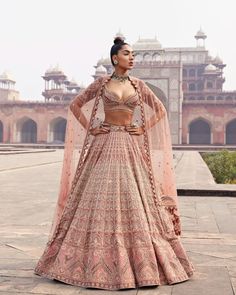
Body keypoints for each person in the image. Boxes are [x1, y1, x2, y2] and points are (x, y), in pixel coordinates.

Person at [34, 36, 195, 290]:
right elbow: (75, 106)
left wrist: (142, 127)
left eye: (134, 55)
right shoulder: (101, 84)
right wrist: (92, 127)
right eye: (128, 54)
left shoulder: (139, 85)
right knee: (97, 197)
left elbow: (160, 110)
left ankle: (141, 263)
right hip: (105, 143)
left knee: (135, 197)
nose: (132, 58)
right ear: (114, 58)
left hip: (130, 146)